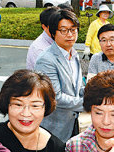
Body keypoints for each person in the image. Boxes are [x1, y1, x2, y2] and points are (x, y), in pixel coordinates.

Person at [0, 69, 65, 152]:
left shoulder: (57, 149)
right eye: (18, 105)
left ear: (45, 108)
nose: (26, 113)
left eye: (35, 106)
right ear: (6, 104)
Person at [35, 9, 84, 143]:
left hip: (73, 124)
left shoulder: (74, 54)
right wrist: (89, 103)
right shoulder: (46, 60)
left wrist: (98, 92)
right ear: (53, 33)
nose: (70, 35)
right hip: (53, 129)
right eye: (64, 30)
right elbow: (56, 98)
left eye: (73, 30)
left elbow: (77, 88)